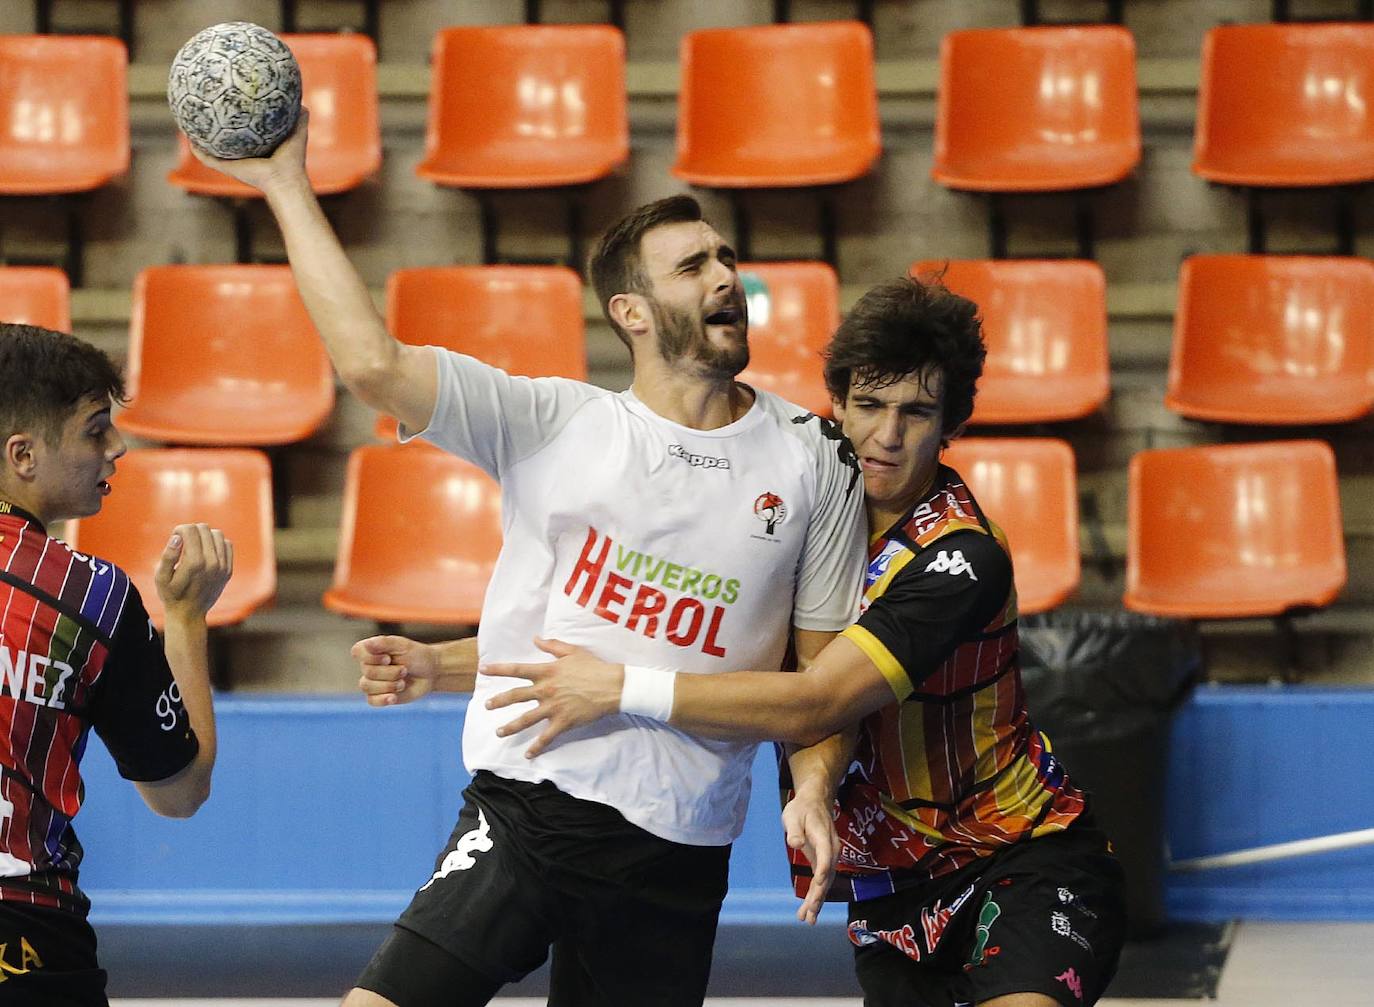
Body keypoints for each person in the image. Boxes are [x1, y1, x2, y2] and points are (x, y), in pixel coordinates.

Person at [190, 114, 866, 1007]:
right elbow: (372, 365)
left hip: (684, 839)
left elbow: (818, 684)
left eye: (726, 259)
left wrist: (813, 789)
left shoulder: (815, 456)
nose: (726, 278)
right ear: (631, 312)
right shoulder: (555, 422)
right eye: (694, 266)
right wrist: (285, 184)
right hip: (535, 800)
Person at [473, 277, 1128, 1007]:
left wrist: (620, 686)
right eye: (870, 405)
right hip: (891, 890)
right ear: (837, 405)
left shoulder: (960, 555)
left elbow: (818, 699)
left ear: (950, 425)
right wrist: (440, 661)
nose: (887, 435)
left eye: (916, 412)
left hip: (1021, 851)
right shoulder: (793, 524)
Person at [0, 324, 232, 1005]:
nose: (118, 447)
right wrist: (186, 619)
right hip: (25, 936)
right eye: (96, 430)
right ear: (24, 454)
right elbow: (180, 790)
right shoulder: (90, 596)